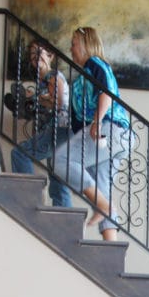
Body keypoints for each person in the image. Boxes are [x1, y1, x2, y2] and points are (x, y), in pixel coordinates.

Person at [52, 25, 131, 241]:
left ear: (87, 45)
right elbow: (77, 124)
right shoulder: (80, 80)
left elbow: (106, 91)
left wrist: (96, 121)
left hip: (109, 129)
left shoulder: (95, 64)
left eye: (74, 43)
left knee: (60, 159)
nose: (71, 48)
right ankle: (112, 249)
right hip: (113, 137)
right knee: (101, 185)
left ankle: (104, 206)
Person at [9, 40, 71, 207]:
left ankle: (30, 199)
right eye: (32, 54)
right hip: (63, 131)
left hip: (59, 128)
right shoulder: (44, 82)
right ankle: (66, 225)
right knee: (58, 180)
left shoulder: (52, 75)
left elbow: (58, 102)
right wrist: (35, 98)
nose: (35, 57)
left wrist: (38, 98)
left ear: (50, 55)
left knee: (20, 154)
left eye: (39, 52)